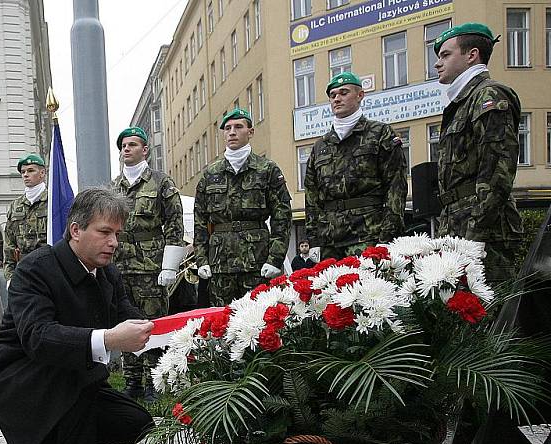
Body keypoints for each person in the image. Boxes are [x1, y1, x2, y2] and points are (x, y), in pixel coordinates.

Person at [0, 188, 155, 444]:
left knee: (137, 423)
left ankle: (44, 443)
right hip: (16, 376)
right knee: (81, 369)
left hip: (67, 375)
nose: (114, 243)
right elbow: (38, 337)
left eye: (116, 234)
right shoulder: (35, 269)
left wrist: (177, 334)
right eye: (104, 232)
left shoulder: (108, 274)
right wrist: (109, 339)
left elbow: (129, 316)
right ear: (76, 230)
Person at [433, 23, 523, 283]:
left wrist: (477, 232)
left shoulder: (488, 95)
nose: (438, 63)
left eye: (446, 55)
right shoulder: (461, 102)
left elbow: (497, 171)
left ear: (472, 55)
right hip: (457, 223)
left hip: (485, 230)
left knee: (493, 313)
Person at [112, 126, 185, 401]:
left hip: (151, 266)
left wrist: (170, 265)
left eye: (132, 145)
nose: (126, 149)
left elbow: (175, 225)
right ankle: (132, 380)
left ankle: (155, 379)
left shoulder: (160, 182)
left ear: (145, 150)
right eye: (123, 146)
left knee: (153, 323)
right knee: (126, 322)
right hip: (121, 267)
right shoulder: (113, 187)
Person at [194, 108, 292, 306]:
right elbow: (200, 221)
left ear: (251, 132)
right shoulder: (211, 174)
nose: (232, 132)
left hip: (257, 260)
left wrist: (275, 258)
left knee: (259, 318)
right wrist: (201, 259)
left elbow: (282, 216)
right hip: (220, 262)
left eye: (238, 127)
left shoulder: (267, 169)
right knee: (222, 320)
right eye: (227, 128)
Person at [304, 72, 407, 260]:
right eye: (333, 95)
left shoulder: (379, 133)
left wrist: (388, 234)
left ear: (360, 96)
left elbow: (396, 186)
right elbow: (312, 197)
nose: (337, 99)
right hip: (330, 239)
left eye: (343, 93)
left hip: (369, 233)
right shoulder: (321, 146)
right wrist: (313, 240)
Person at [3, 154, 48, 282]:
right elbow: (9, 245)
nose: (25, 175)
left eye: (31, 170)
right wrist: (10, 277)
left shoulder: (53, 201)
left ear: (42, 173)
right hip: (24, 270)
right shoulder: (16, 205)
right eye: (23, 172)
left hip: (49, 268)